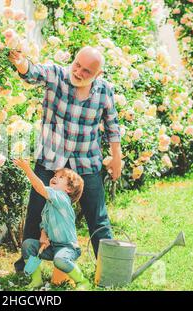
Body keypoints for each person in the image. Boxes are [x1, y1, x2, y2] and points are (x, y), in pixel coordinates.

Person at [9, 46, 122, 272]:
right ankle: (27, 268)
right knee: (35, 215)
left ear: (98, 75)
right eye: (77, 65)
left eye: (87, 71)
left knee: (98, 218)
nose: (78, 72)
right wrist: (21, 63)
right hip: (51, 160)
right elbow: (32, 72)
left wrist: (116, 157)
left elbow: (112, 125)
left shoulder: (104, 91)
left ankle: (111, 272)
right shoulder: (57, 75)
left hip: (86, 161)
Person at [13, 158, 88, 289]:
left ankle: (82, 281)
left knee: (60, 260)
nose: (54, 178)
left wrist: (26, 168)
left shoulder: (62, 198)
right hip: (53, 247)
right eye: (54, 175)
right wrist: (43, 235)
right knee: (28, 245)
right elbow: (44, 223)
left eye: (60, 177)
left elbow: (39, 187)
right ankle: (36, 281)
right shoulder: (49, 204)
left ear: (68, 189)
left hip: (67, 248)